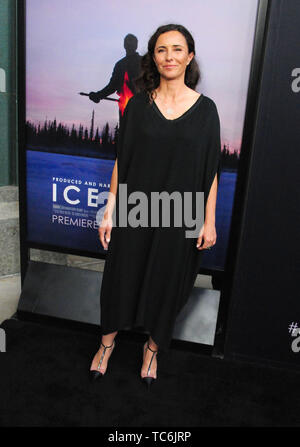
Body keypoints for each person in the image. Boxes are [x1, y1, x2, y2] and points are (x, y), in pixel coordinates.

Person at [90, 24, 222, 389]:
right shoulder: (137, 106)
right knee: (120, 280)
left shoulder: (207, 110)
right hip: (136, 209)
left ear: (189, 56)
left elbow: (211, 172)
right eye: (162, 50)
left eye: (178, 49)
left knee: (168, 286)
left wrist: (208, 221)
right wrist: (110, 209)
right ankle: (106, 345)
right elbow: (123, 161)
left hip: (182, 213)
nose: (170, 56)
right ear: (154, 57)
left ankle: (152, 349)